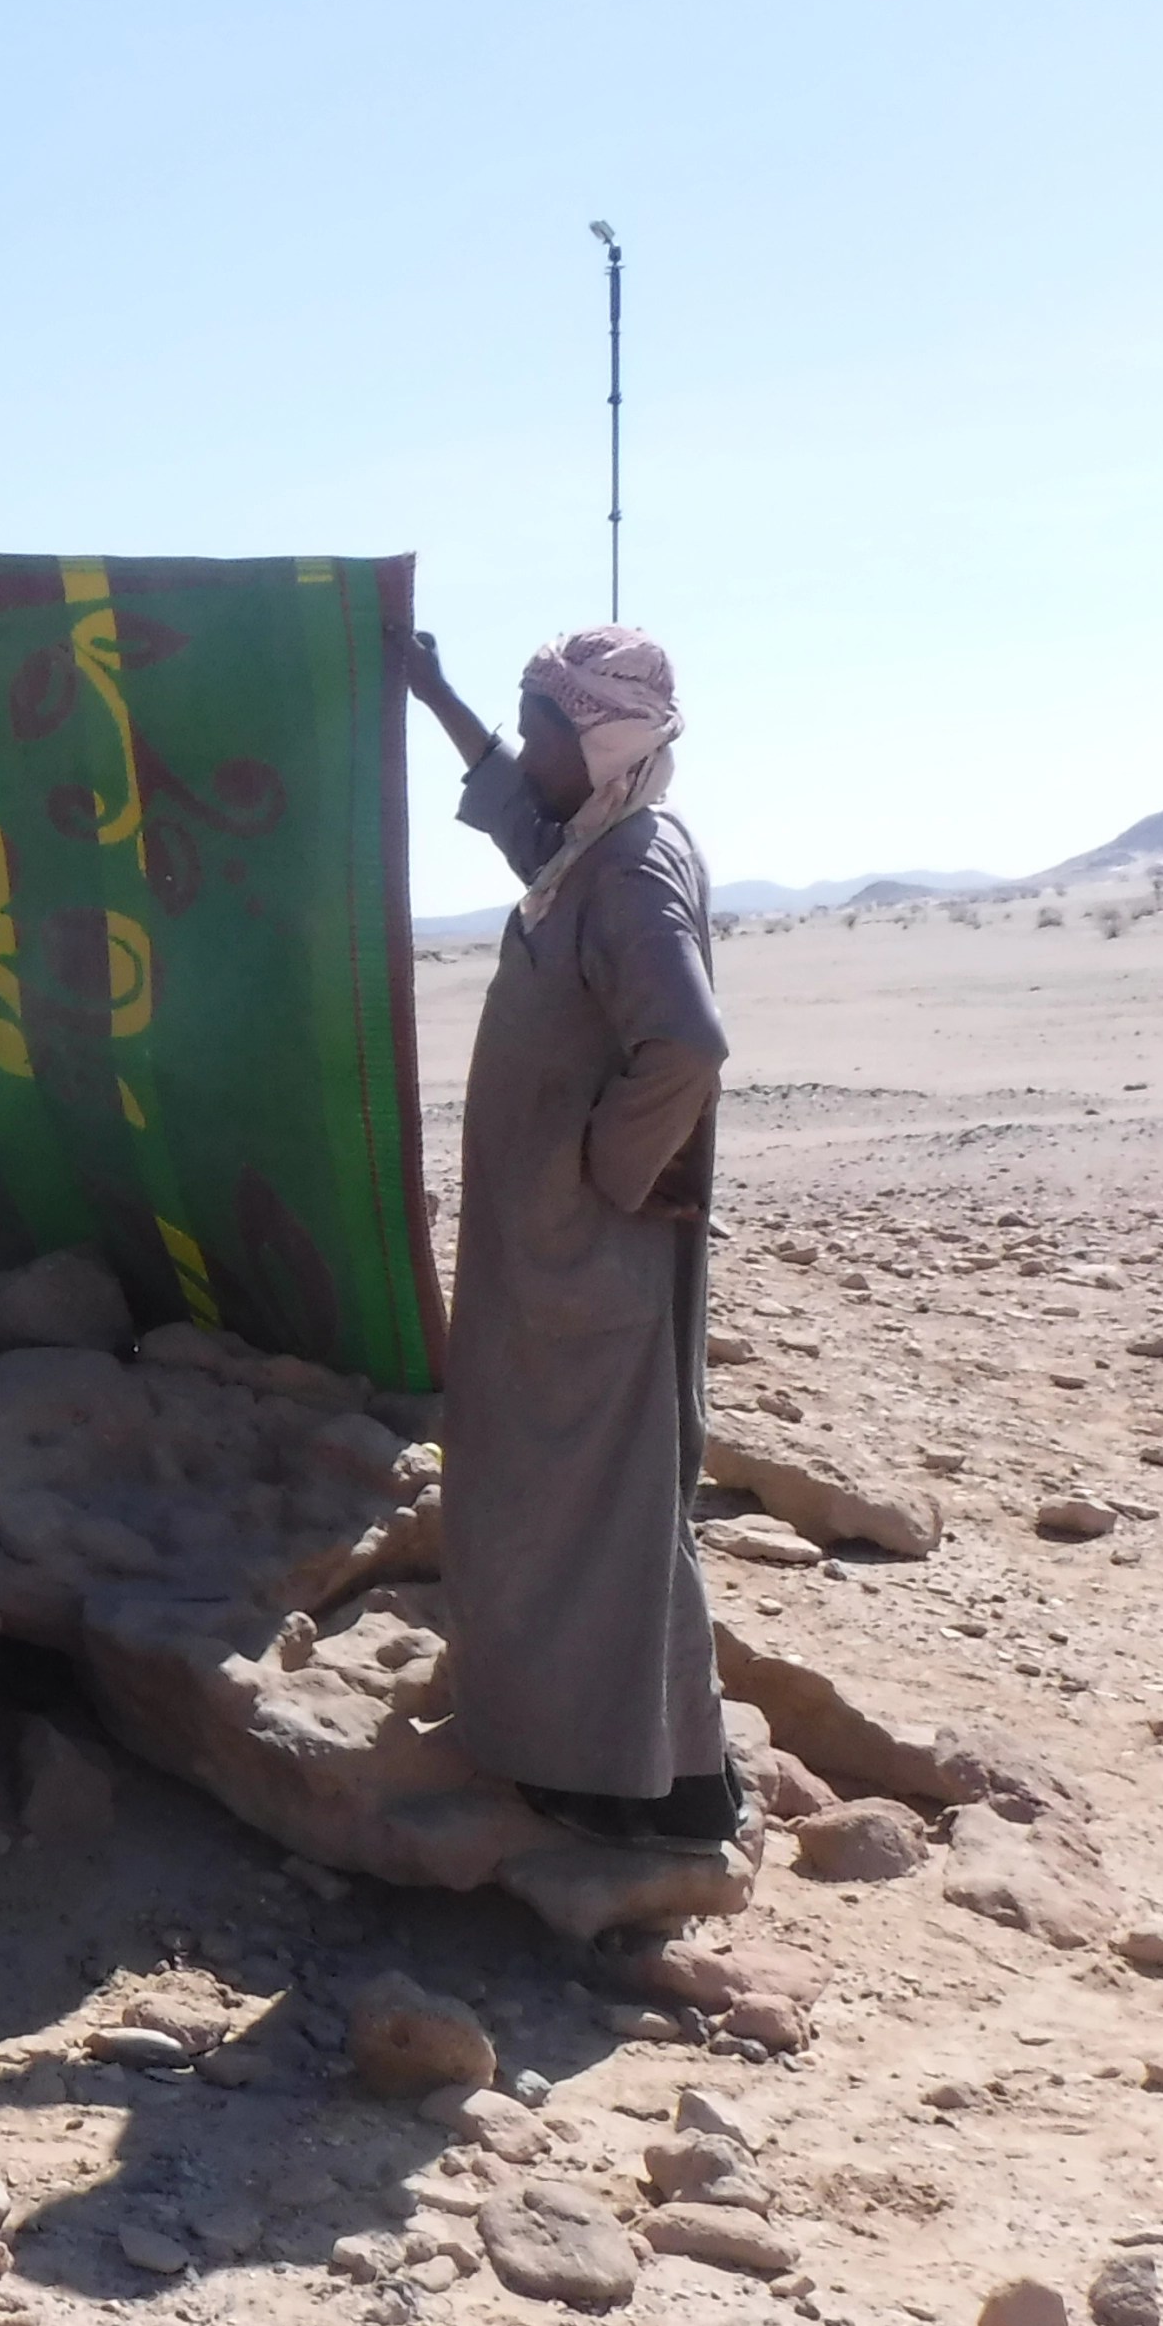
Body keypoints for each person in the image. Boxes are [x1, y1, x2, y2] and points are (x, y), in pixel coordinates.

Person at [406, 622, 741, 1849]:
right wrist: (436, 694)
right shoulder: (594, 843)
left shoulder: (633, 868)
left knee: (586, 1505)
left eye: (541, 727)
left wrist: (609, 1167)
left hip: (583, 1257)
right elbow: (518, 818)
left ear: (600, 744)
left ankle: (624, 1782)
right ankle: (643, 1768)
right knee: (576, 1499)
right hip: (551, 1251)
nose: (527, 746)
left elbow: (686, 1043)